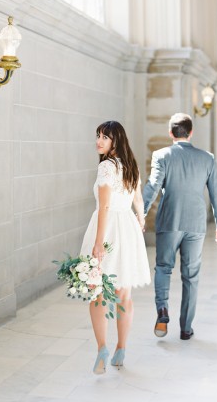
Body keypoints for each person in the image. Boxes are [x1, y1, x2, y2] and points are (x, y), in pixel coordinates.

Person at [143, 113, 217, 340]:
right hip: (196, 224)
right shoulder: (207, 158)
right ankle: (186, 328)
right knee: (191, 277)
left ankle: (162, 310)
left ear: (171, 133)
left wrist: (140, 213)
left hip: (169, 220)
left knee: (163, 267)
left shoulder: (161, 155)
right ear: (191, 133)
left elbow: (152, 187)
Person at [80, 121, 151, 374]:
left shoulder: (106, 167)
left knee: (98, 292)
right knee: (124, 294)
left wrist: (99, 242)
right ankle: (121, 349)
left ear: (115, 141)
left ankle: (102, 348)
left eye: (105, 137)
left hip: (108, 228)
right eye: (98, 135)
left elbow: (105, 207)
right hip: (128, 229)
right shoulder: (131, 166)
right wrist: (140, 221)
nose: (99, 141)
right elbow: (139, 201)